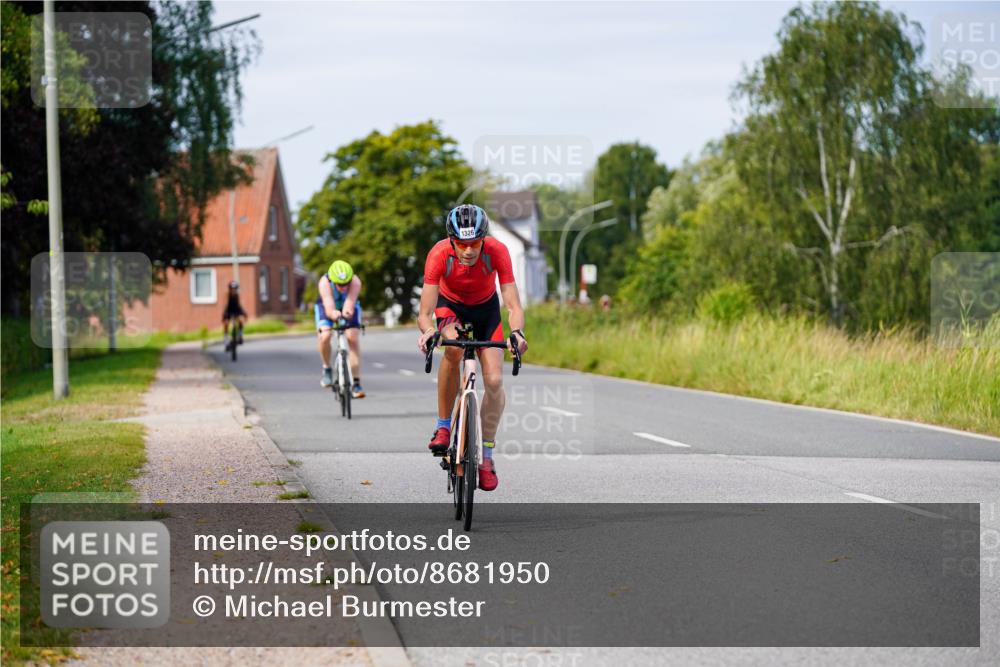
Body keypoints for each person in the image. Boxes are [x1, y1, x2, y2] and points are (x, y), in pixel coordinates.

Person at [416, 204, 528, 492]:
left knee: (495, 381)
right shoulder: (439, 254)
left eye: (475, 243)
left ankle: (486, 457)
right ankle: (443, 427)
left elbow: (513, 304)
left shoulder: (497, 251)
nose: (468, 251)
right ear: (452, 240)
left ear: (483, 240)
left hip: (486, 311)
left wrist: (517, 333)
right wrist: (429, 331)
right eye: (462, 244)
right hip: (450, 307)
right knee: (453, 349)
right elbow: (425, 312)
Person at [316, 260, 365, 398]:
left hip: (348, 304)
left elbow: (350, 302)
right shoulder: (324, 282)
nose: (343, 287)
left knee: (352, 338)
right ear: (332, 280)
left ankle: (356, 382)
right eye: (339, 284)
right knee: (325, 336)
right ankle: (327, 368)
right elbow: (328, 306)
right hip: (327, 305)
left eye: (346, 283)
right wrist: (333, 314)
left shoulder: (355, 281)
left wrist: (346, 313)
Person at [222, 281, 246, 348]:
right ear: (230, 289)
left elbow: (239, 305)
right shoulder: (227, 295)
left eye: (235, 289)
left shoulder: (237, 296)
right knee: (226, 323)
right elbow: (225, 305)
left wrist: (243, 312)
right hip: (228, 311)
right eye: (232, 289)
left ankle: (240, 335)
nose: (234, 290)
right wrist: (224, 315)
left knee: (241, 320)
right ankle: (226, 340)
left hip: (236, 310)